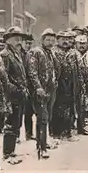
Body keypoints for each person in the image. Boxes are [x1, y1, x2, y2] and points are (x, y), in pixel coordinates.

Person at [26, 28, 59, 159]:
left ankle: (42, 142)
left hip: (51, 90)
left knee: (47, 117)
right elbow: (32, 72)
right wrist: (38, 87)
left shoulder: (51, 53)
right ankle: (42, 148)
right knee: (43, 118)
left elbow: (56, 69)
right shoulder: (35, 52)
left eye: (52, 40)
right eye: (48, 40)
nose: (50, 42)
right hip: (40, 91)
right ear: (42, 40)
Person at [0, 26, 28, 164]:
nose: (19, 41)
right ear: (8, 40)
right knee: (11, 124)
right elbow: (4, 77)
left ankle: (11, 151)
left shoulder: (16, 54)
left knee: (16, 123)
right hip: (12, 95)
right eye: (16, 38)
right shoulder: (5, 54)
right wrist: (15, 90)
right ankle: (7, 153)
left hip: (19, 94)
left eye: (20, 39)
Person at [51, 31, 79, 141]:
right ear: (58, 40)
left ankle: (67, 132)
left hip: (71, 83)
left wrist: (78, 83)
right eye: (62, 39)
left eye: (67, 39)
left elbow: (77, 68)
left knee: (69, 107)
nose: (65, 41)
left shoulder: (73, 52)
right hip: (58, 83)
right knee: (57, 108)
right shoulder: (54, 52)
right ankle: (56, 132)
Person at [75, 35, 88, 135]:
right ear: (76, 44)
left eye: (83, 43)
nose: (82, 46)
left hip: (86, 84)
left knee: (83, 106)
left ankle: (81, 127)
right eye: (80, 43)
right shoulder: (73, 53)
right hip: (74, 83)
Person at [20, 33, 35, 142]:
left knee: (28, 112)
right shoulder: (18, 54)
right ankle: (15, 136)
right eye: (26, 43)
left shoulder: (31, 54)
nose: (28, 45)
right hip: (19, 86)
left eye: (30, 43)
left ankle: (28, 134)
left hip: (29, 87)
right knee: (18, 112)